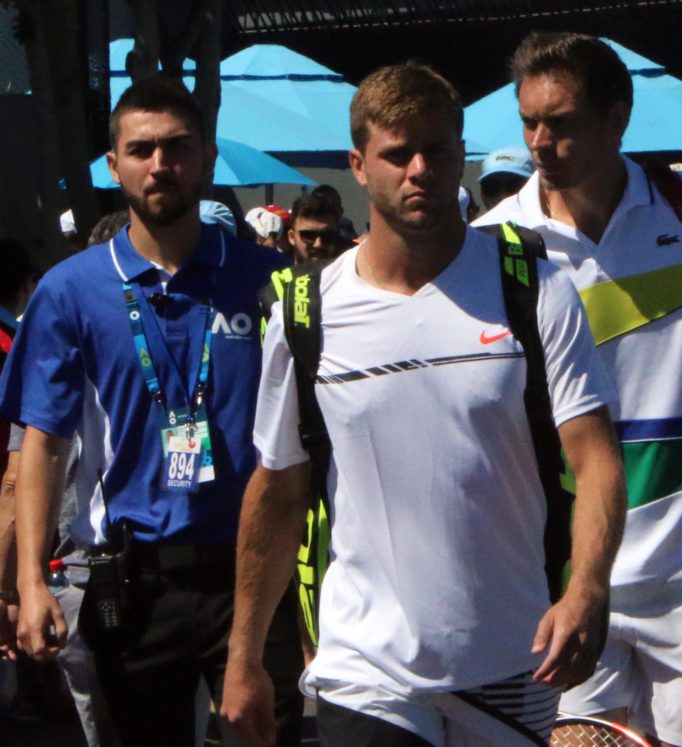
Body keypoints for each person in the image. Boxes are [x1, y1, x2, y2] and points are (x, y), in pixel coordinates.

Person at [221, 61, 626, 747]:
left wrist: (587, 587)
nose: (419, 169)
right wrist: (244, 656)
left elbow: (596, 461)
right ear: (358, 164)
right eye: (397, 153)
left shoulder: (533, 287)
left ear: (459, 154)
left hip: (512, 656)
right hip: (365, 667)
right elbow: (279, 490)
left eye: (436, 149)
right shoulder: (305, 312)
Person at [0, 76, 304, 746]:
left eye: (176, 147)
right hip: (134, 582)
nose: (160, 164)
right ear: (114, 165)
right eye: (141, 149)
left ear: (206, 156)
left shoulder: (267, 280)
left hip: (251, 572)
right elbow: (40, 447)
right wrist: (26, 582)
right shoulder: (69, 291)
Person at [477, 31, 682, 747]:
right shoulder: (494, 244)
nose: (540, 142)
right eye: (528, 123)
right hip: (565, 583)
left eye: (560, 122)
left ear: (617, 117)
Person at [286, 192, 346, 263]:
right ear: (292, 237)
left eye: (327, 235)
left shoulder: (349, 271)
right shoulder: (275, 271)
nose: (318, 244)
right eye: (309, 236)